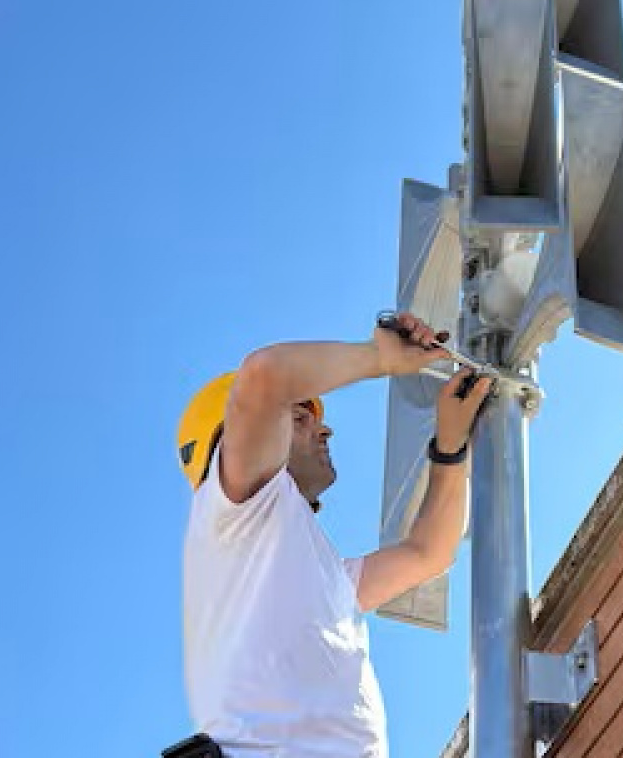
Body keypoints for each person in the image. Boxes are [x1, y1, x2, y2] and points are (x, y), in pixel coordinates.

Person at [173, 311, 492, 758]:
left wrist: (450, 445)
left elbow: (429, 552)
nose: (324, 428)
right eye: (300, 416)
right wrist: (377, 357)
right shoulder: (228, 513)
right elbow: (264, 376)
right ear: (231, 438)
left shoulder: (315, 574)